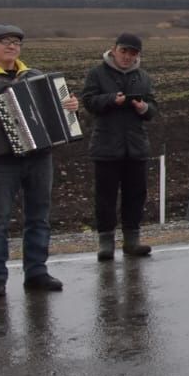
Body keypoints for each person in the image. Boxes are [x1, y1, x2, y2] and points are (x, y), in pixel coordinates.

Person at [0, 23, 79, 296]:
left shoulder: (34, 75)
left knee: (39, 217)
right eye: (4, 41)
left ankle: (36, 273)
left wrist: (70, 107)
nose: (11, 46)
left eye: (16, 42)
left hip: (39, 157)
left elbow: (59, 109)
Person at [81, 32, 157, 261]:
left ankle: (132, 241)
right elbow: (89, 102)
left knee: (136, 195)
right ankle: (106, 242)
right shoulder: (97, 73)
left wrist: (143, 107)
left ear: (138, 55)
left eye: (132, 53)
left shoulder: (142, 76)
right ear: (114, 50)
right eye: (124, 51)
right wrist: (111, 100)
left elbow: (153, 107)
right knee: (105, 197)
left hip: (136, 146)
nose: (127, 57)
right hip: (106, 145)